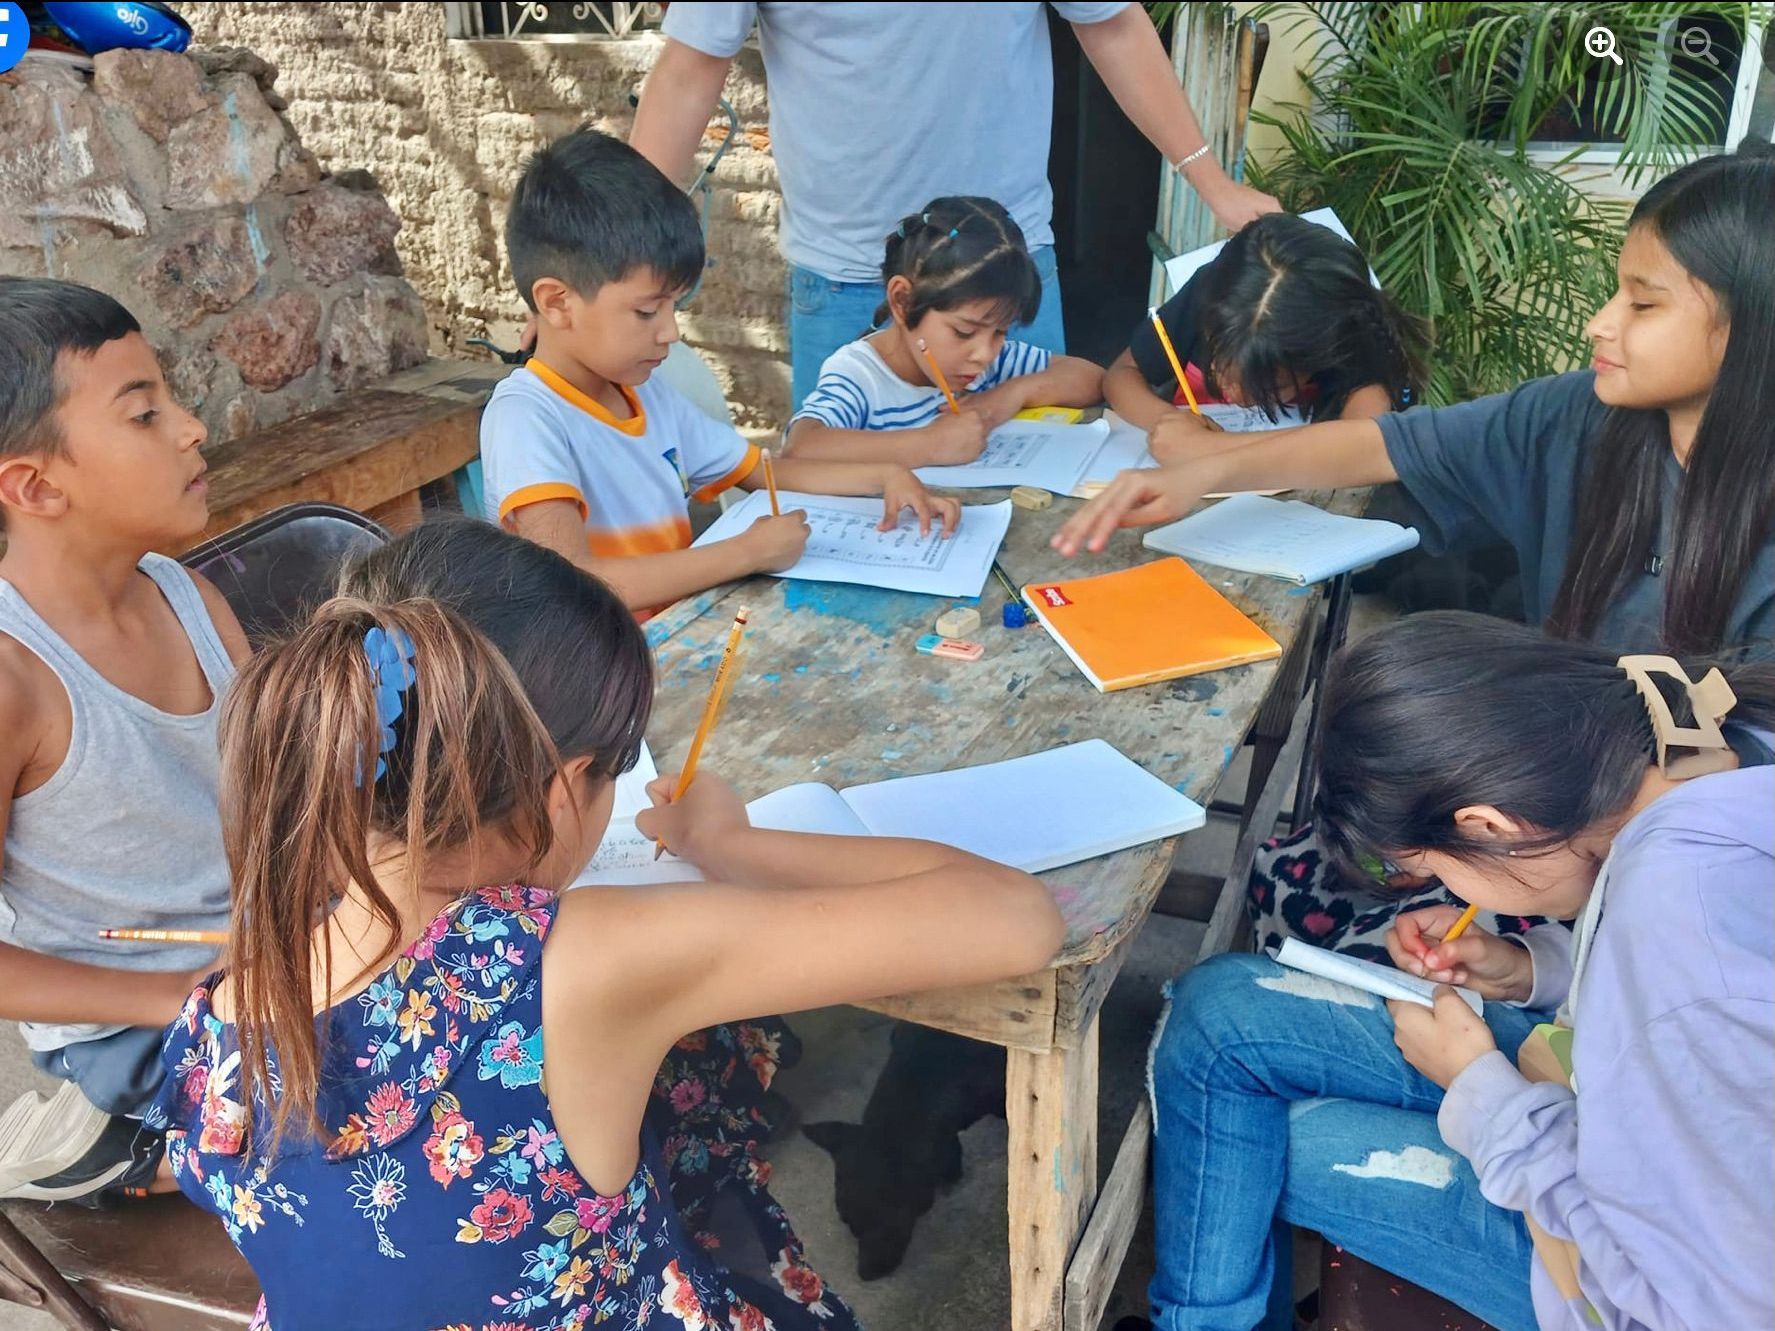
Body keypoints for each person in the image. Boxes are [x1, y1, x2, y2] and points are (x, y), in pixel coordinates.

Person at [148, 519, 1065, 1330]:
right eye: (609, 774)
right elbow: (1015, 919)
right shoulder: (572, 959)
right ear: (560, 791)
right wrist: (736, 844)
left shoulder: (223, 1007)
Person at [1056, 144, 1775, 962]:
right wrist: (1207, 473)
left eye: (1642, 304)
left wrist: (1539, 934)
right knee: (1288, 875)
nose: (1599, 322)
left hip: (1659, 888)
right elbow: (1385, 444)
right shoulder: (1578, 418)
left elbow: (1730, 799)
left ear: (1751, 329)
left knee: (1333, 953)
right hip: (1521, 816)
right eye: (1615, 289)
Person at [1128, 612, 1774, 1331]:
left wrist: (1483, 1092)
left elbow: (1715, 1304)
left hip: (1610, 1281)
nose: (1453, 894)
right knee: (1221, 1010)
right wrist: (1530, 970)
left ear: (1487, 826)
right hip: (1618, 1124)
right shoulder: (1698, 740)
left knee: (1267, 1143)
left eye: (1431, 868)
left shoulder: (1681, 944)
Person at [630, 2, 1280, 408]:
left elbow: (1110, 22)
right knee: (850, 522)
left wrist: (1211, 182)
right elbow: (689, 72)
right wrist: (617, 262)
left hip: (1006, 277)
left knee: (1037, 522)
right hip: (847, 284)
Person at [481, 127, 960, 619]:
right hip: (600, 670)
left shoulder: (646, 396)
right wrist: (746, 553)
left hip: (679, 635)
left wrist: (884, 476)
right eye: (647, 312)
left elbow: (763, 472)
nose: (670, 331)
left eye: (675, 305)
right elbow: (573, 584)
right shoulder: (526, 417)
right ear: (558, 303)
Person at [0, 278, 250, 1203]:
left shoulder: (188, 597)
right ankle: (99, 1141)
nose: (191, 428)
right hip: (136, 1035)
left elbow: (282, 793)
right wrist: (178, 996)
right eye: (144, 414)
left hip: (254, 971)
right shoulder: (15, 677)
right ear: (33, 485)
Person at [786, 196, 1104, 467]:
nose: (984, 354)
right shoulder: (862, 375)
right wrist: (930, 444)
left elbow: (1090, 377)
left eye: (1000, 332)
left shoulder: (991, 364)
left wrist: (1006, 397)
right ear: (903, 301)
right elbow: (800, 449)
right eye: (964, 332)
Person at [1106, 211, 1424, 458]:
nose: (1237, 395)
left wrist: (1213, 450)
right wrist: (1166, 420)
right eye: (1219, 367)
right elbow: (1121, 375)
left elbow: (1356, 446)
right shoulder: (1213, 295)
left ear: (1322, 353)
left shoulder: (1353, 342)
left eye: (1272, 386)